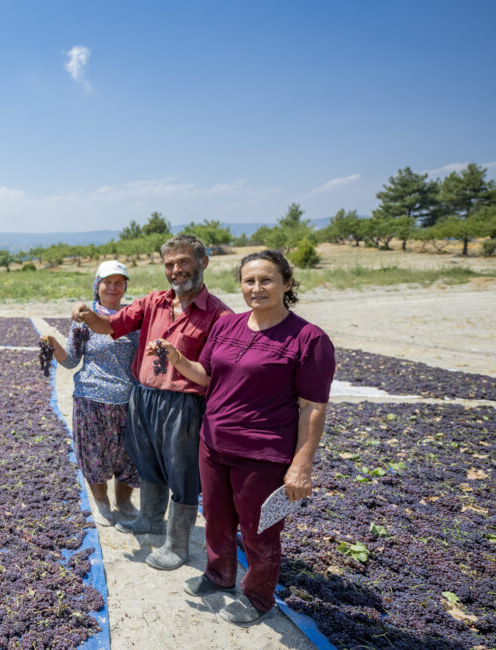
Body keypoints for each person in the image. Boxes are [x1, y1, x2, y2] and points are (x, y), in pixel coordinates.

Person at [149, 250, 335, 627]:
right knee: (216, 519)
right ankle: (219, 575)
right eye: (249, 281)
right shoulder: (227, 325)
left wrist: (302, 463)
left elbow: (312, 406)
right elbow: (206, 375)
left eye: (266, 280)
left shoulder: (308, 339)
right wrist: (177, 358)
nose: (257, 288)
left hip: (263, 454)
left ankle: (258, 597)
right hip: (214, 444)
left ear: (287, 283)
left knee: (259, 531)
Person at [72, 234, 231, 571]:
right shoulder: (153, 302)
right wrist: (87, 315)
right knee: (148, 463)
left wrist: (178, 361)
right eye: (170, 264)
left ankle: (177, 545)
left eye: (184, 262)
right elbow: (109, 325)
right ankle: (150, 519)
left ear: (203, 262)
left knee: (183, 473)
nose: (176, 270)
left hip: (184, 404)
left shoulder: (219, 315)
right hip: (144, 397)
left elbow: (213, 374)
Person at [41, 261, 141, 526]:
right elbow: (72, 360)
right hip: (91, 398)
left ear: (125, 287)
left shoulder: (133, 318)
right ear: (97, 285)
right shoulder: (84, 320)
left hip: (127, 400)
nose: (113, 287)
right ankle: (102, 503)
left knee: (128, 457)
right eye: (107, 281)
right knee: (95, 454)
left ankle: (124, 501)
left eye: (119, 282)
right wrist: (52, 343)